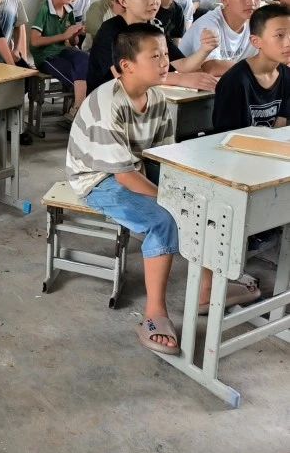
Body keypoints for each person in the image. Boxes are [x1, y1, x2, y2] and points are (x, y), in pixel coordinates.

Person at [70, 24, 261, 354]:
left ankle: (206, 290)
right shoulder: (107, 104)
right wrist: (171, 199)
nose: (164, 62)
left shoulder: (156, 98)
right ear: (127, 65)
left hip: (138, 168)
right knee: (164, 219)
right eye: (154, 56)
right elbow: (124, 177)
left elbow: (164, 156)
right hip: (98, 179)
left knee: (206, 198)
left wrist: (188, 191)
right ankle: (154, 313)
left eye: (165, 54)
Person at [86, 0, 218, 94]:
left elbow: (182, 65)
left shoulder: (154, 28)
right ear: (124, 1)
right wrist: (180, 78)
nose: (154, 2)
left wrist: (205, 49)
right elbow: (124, 75)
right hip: (107, 98)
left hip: (142, 94)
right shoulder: (111, 30)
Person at [212, 4, 290, 132]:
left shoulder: (287, 76)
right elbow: (226, 136)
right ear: (255, 41)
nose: (288, 42)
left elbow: (282, 127)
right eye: (279, 35)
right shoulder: (235, 82)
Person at [180, 0, 263, 77]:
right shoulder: (208, 24)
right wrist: (258, 68)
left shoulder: (257, 25)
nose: (252, 2)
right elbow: (212, 67)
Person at [29, 0, 88, 119]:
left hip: (62, 50)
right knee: (75, 74)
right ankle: (79, 109)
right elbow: (34, 41)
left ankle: (78, 107)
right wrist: (63, 36)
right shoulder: (44, 9)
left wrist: (74, 34)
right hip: (46, 56)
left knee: (85, 58)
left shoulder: (69, 9)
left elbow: (72, 42)